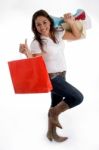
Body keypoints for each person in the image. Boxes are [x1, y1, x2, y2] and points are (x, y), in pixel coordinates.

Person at [19, 9, 84, 142]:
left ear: (50, 21)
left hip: (62, 74)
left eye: (44, 22)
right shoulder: (37, 43)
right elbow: (36, 64)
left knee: (55, 102)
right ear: (34, 27)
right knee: (77, 97)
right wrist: (27, 54)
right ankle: (54, 113)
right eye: (38, 24)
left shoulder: (58, 33)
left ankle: (51, 133)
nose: (42, 27)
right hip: (51, 78)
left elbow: (77, 36)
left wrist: (71, 23)